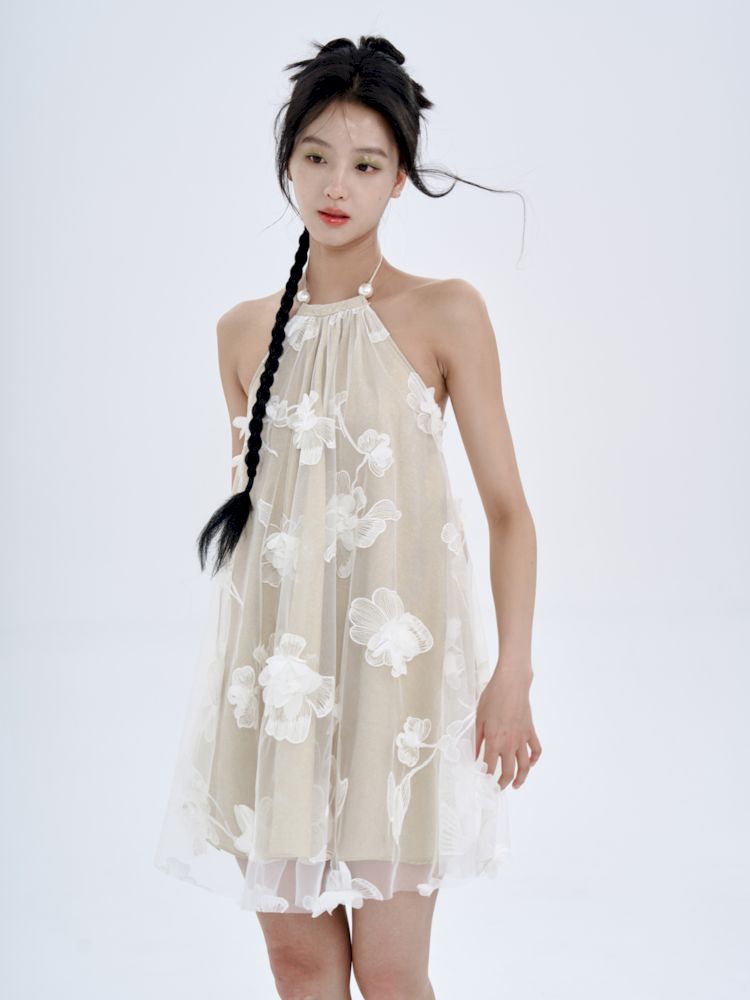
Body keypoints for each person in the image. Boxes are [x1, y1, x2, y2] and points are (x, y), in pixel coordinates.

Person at [154, 34, 541, 1000]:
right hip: (278, 687)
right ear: (287, 161)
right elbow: (275, 531)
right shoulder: (241, 334)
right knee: (297, 965)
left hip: (395, 689)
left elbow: (508, 512)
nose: (337, 185)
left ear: (399, 178)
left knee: (393, 971)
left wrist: (513, 673)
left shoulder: (446, 312)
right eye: (316, 156)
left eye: (366, 164)